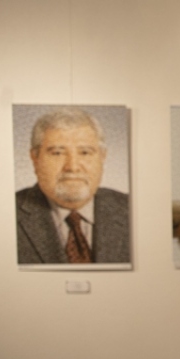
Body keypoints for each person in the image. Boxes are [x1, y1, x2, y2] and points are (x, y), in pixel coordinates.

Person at [16, 108, 130, 264]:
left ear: (102, 157)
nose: (72, 167)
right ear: (35, 158)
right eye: (57, 153)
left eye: (85, 152)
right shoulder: (4, 216)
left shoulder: (132, 209)